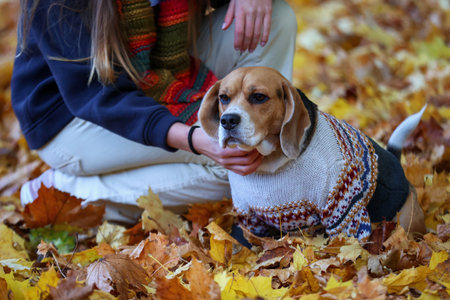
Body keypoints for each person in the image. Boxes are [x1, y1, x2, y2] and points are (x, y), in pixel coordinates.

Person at [12, 0, 297, 223]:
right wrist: (196, 140)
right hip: (74, 117)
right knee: (238, 168)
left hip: (164, 71)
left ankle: (270, 143)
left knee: (276, 19)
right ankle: (61, 194)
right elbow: (97, 96)